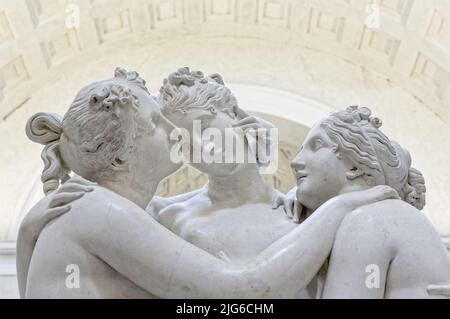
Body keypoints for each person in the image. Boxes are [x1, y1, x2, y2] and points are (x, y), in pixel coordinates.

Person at [17, 68, 397, 298]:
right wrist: (341, 206)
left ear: (237, 115)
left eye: (199, 125)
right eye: (162, 127)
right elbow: (243, 289)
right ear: (121, 155)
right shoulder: (136, 214)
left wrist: (28, 236)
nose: (182, 139)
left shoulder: (301, 209)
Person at [281, 106, 450, 298]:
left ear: (354, 167)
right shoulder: (385, 215)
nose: (295, 162)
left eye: (317, 145)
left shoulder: (372, 218)